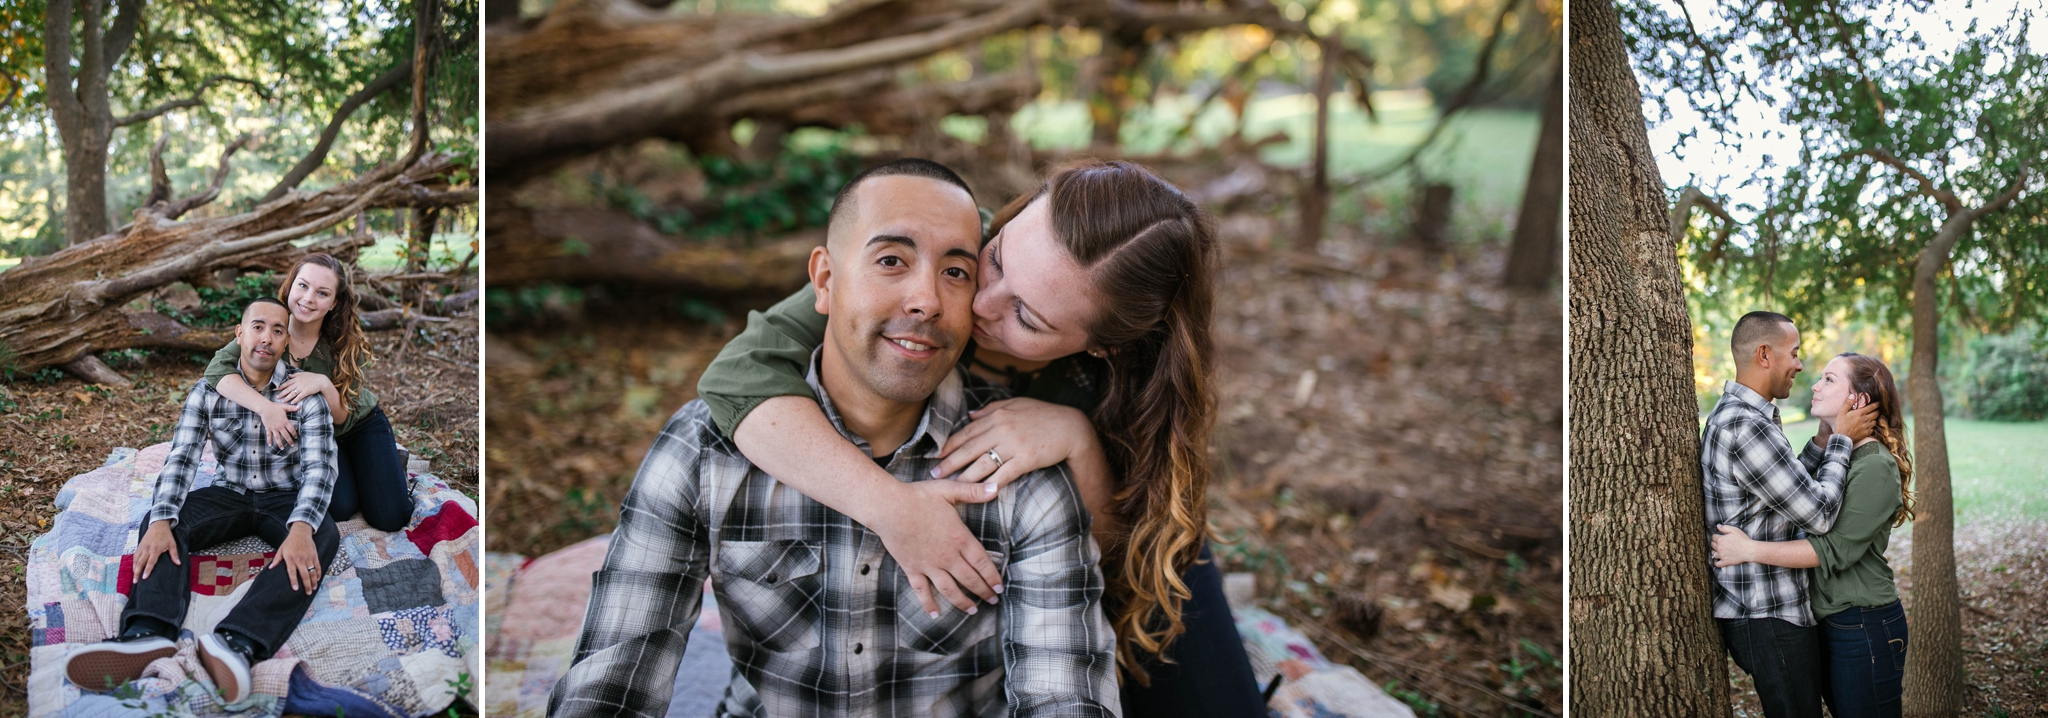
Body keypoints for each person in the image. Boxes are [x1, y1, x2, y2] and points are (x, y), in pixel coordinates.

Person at [550, 159, 1119, 717]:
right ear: (824, 280)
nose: (927, 300)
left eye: (955, 273)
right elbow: (609, 682)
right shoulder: (704, 453)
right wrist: (891, 506)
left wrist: (1080, 436)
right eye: (891, 261)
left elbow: (1064, 691)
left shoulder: (1020, 463)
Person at [696, 159, 1263, 716]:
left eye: (1028, 317)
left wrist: (1080, 440)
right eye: (994, 262)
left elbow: (1123, 565)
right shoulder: (943, 249)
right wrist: (892, 508)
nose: (980, 303)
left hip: (1095, 550)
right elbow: (736, 379)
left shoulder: (1138, 378)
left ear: (1103, 346)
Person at [60, 297, 340, 705]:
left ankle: (237, 642)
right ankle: (148, 633)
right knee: (161, 524)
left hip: (285, 496)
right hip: (228, 493)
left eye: (278, 330)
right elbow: (182, 459)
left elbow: (321, 468)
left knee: (322, 536)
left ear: (286, 341)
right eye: (258, 327)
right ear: (239, 334)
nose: (267, 338)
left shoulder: (304, 393)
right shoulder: (208, 392)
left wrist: (300, 529)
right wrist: (159, 520)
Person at [1712, 352, 1914, 718]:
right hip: (1832, 619)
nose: (1816, 385)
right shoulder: (1839, 456)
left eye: (1830, 380)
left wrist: (1750, 549)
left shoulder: (1874, 466)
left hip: (1865, 622)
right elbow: (1797, 498)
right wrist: (1829, 438)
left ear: (1858, 401)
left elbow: (1830, 548)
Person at [203, 253, 412, 531]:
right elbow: (216, 371)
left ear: (334, 302)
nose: (308, 298)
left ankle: (385, 463)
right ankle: (363, 471)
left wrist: (323, 383)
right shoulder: (270, 330)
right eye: (302, 286)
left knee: (391, 517)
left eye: (322, 293)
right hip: (314, 434)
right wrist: (265, 408)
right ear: (290, 286)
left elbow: (342, 417)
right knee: (340, 508)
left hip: (357, 425)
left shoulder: (343, 342)